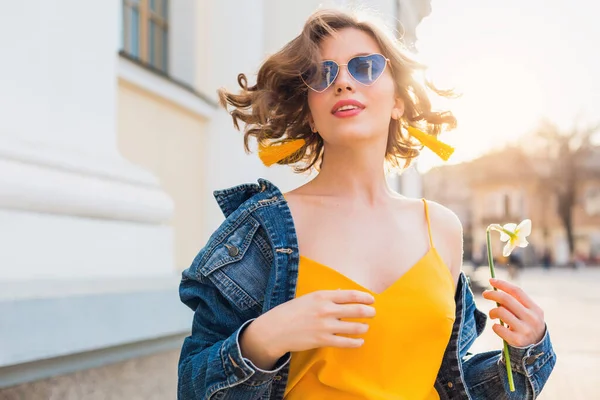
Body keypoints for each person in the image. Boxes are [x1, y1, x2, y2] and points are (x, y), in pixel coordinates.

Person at [177, 7, 555, 400]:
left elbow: (449, 377)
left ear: (399, 102)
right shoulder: (261, 228)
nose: (342, 81)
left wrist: (527, 350)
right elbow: (191, 386)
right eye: (321, 75)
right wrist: (263, 340)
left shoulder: (441, 228)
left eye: (365, 67)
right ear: (309, 113)